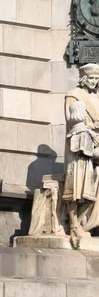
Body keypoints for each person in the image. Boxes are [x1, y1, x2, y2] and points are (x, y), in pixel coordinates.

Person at [63, 63, 99, 237]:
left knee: (94, 181)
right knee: (77, 184)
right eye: (91, 78)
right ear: (84, 78)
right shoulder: (73, 96)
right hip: (79, 146)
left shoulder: (97, 97)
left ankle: (89, 221)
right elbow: (73, 123)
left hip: (95, 144)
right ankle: (74, 224)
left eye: (96, 79)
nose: (93, 82)